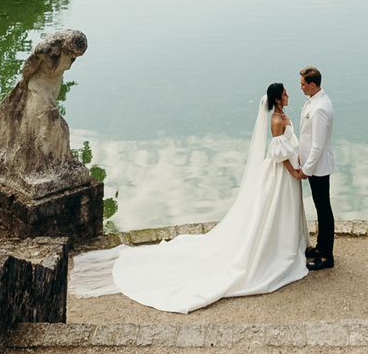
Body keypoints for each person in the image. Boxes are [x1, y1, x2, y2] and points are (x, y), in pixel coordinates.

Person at [65, 80, 310, 312]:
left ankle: (287, 244)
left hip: (287, 171)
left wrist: (297, 161)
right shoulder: (276, 120)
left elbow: (287, 148)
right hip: (280, 173)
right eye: (285, 94)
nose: (289, 96)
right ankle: (277, 251)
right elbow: (278, 152)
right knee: (273, 211)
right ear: (277, 100)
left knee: (280, 211)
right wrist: (294, 171)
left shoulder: (283, 116)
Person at [296, 66, 335, 270]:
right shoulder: (314, 100)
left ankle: (327, 256)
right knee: (321, 207)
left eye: (303, 84)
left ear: (313, 84)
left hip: (318, 167)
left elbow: (318, 145)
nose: (301, 87)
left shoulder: (320, 108)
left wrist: (306, 169)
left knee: (324, 209)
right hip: (313, 164)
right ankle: (320, 248)